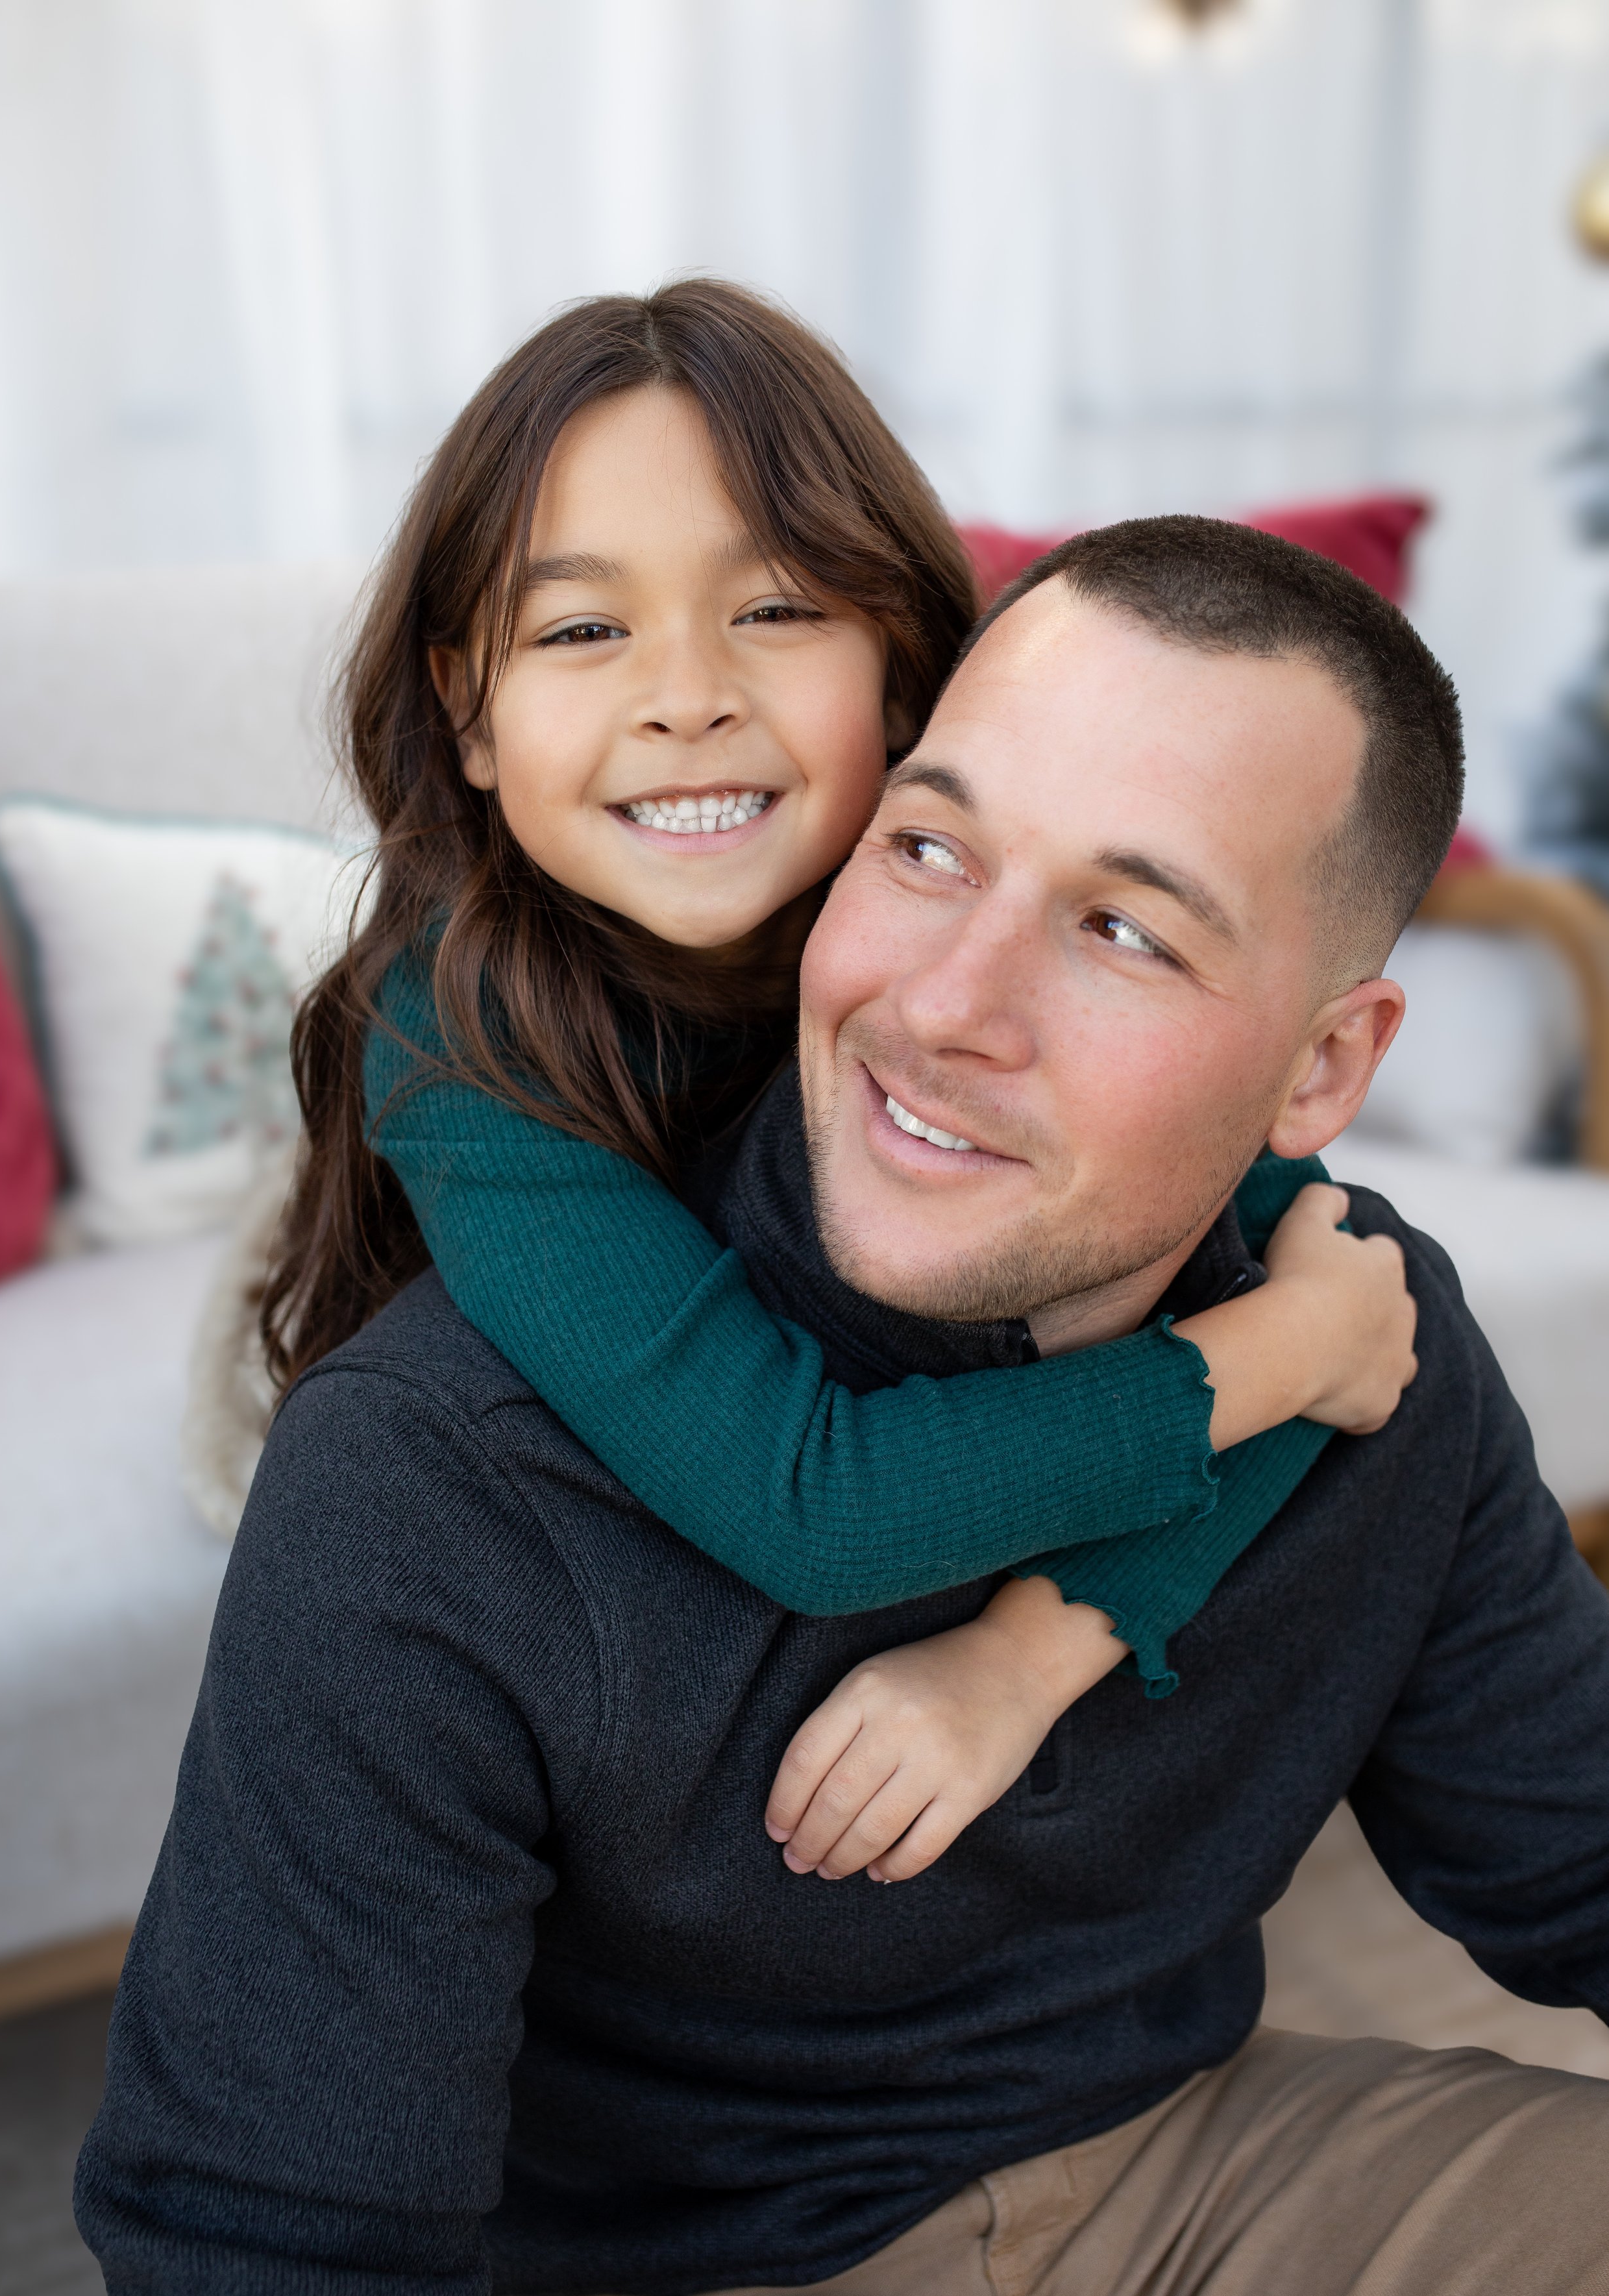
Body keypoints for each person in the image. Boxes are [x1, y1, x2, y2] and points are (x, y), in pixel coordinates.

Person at [79, 515, 1609, 2296]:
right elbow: (274, 2270)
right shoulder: (438, 1474)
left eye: (1126, 928)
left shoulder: (1352, 1329)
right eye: (930, 847)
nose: (947, 1005)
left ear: (1321, 1069)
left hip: (1226, 2185)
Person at [262, 280, 1413, 1884]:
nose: (684, 697)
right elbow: (818, 1506)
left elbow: (1333, 1288)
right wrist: (1282, 1353)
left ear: (901, 674)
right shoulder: (462, 1038)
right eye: (584, 628)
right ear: (466, 711)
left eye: (777, 608)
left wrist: (1035, 1650)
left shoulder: (928, 931)